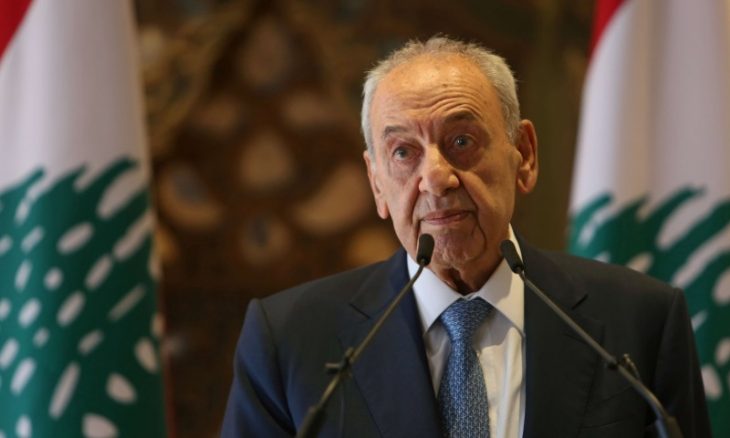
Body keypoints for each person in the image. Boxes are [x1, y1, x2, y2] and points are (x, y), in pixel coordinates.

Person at [221, 36, 710, 437]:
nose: (435, 179)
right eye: (403, 153)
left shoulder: (639, 321)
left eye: (461, 141)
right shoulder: (290, 340)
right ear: (377, 183)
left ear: (524, 154)